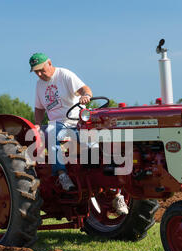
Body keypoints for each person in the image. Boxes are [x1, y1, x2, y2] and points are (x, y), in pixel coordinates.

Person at [30, 52, 128, 215]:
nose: (39, 74)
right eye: (36, 72)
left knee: (99, 150)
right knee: (52, 131)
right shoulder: (39, 85)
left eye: (41, 70)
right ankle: (62, 175)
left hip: (77, 121)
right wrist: (37, 126)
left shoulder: (64, 75)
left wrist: (86, 96)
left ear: (49, 63)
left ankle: (116, 193)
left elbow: (85, 89)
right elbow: (39, 108)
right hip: (58, 123)